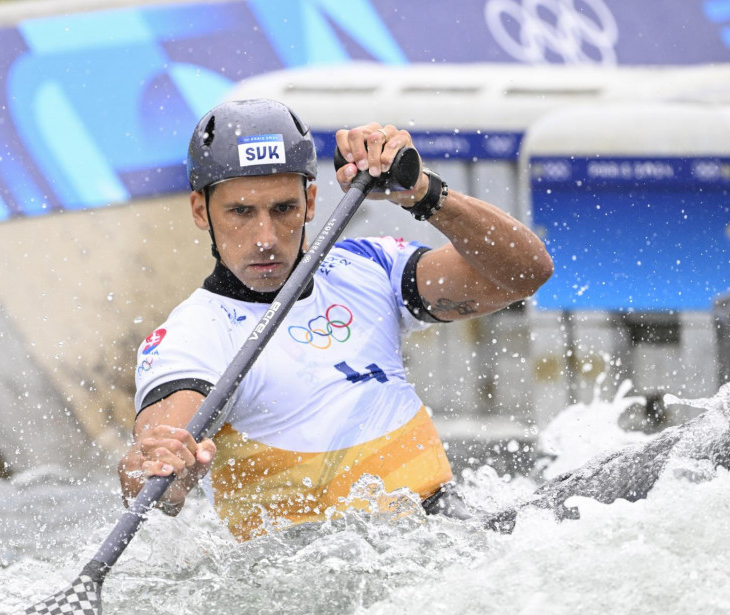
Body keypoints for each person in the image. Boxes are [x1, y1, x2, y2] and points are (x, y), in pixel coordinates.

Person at [118, 98, 553, 541]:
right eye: (241, 212)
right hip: (322, 564)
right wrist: (156, 466)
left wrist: (423, 193)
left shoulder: (367, 265)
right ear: (199, 210)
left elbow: (527, 272)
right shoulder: (190, 337)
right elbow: (154, 476)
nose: (266, 238)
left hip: (450, 531)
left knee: (624, 473)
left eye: (283, 209)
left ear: (310, 201)